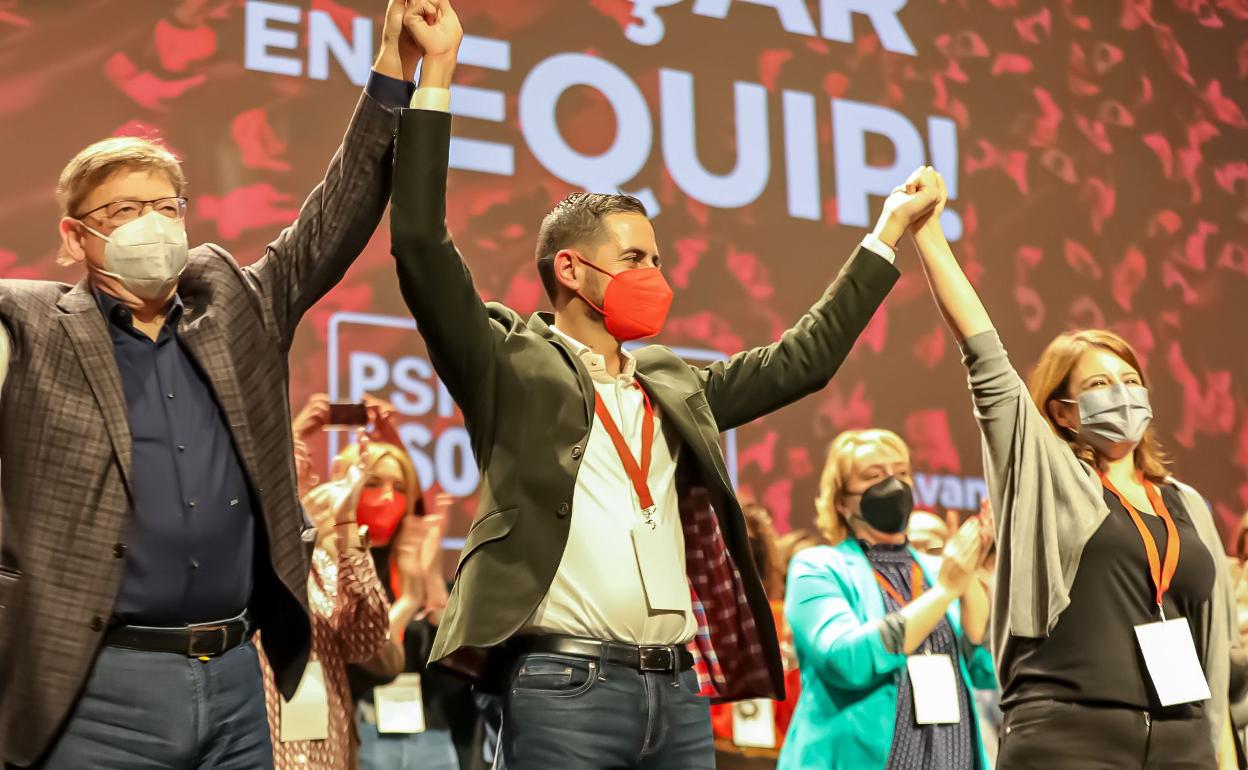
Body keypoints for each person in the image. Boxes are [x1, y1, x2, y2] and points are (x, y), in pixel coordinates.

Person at [388, 2, 947, 762]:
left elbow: (804, 361)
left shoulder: (674, 381)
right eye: (636, 260)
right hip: (561, 686)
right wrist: (440, 74)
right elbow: (420, 243)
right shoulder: (506, 359)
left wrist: (886, 234)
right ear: (571, 269)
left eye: (657, 258)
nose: (658, 276)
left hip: (677, 694)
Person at [0, 2, 431, 765]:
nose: (153, 226)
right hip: (96, 689)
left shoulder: (234, 305)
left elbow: (338, 212)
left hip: (236, 680)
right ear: (74, 237)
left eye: (166, 207)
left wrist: (395, 66)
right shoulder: (30, 327)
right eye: (125, 210)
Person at [906, 166, 1237, 768]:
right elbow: (985, 358)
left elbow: (1212, 650)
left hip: (1184, 744)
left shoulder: (1187, 505)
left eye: (1131, 380)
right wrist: (929, 233)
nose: (1122, 394)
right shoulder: (1047, 476)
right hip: (1070, 738)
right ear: (1062, 411)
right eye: (1100, 385)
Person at [779, 428, 996, 769]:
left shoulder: (936, 569)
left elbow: (984, 669)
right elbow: (846, 661)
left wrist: (966, 575)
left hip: (951, 755)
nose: (893, 484)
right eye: (874, 475)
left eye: (902, 472)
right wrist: (946, 591)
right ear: (840, 501)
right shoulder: (818, 567)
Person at [258, 445, 393, 770]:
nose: (297, 449)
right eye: (289, 443)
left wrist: (346, 523)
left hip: (323, 754)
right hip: (258, 750)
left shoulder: (325, 561)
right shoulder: (246, 548)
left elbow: (367, 639)